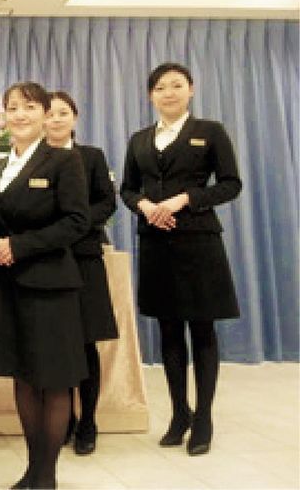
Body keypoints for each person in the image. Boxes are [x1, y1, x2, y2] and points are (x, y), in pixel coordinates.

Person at [120, 62, 241, 456]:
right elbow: (127, 189)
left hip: (199, 242)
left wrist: (185, 199)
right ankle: (179, 413)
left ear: (191, 90)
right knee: (168, 330)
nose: (168, 93)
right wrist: (144, 206)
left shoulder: (210, 132)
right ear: (150, 95)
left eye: (176, 85)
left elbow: (230, 184)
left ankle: (203, 417)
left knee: (202, 330)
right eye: (160, 87)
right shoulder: (139, 139)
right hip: (155, 242)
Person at [0, 82, 89, 490]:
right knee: (22, 377)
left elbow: (76, 221)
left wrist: (19, 246)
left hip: (50, 286)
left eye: (29, 107)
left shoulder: (64, 161)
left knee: (54, 381)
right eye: (12, 108)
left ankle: (47, 476)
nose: (20, 115)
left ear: (45, 114)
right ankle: (31, 468)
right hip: (7, 286)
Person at [44, 91, 119, 455]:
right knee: (57, 344)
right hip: (46, 258)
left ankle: (88, 420)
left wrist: (76, 224)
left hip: (84, 255)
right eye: (50, 113)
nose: (56, 119)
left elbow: (107, 201)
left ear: (74, 118)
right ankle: (65, 419)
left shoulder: (91, 157)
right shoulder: (35, 158)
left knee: (86, 342)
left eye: (63, 113)